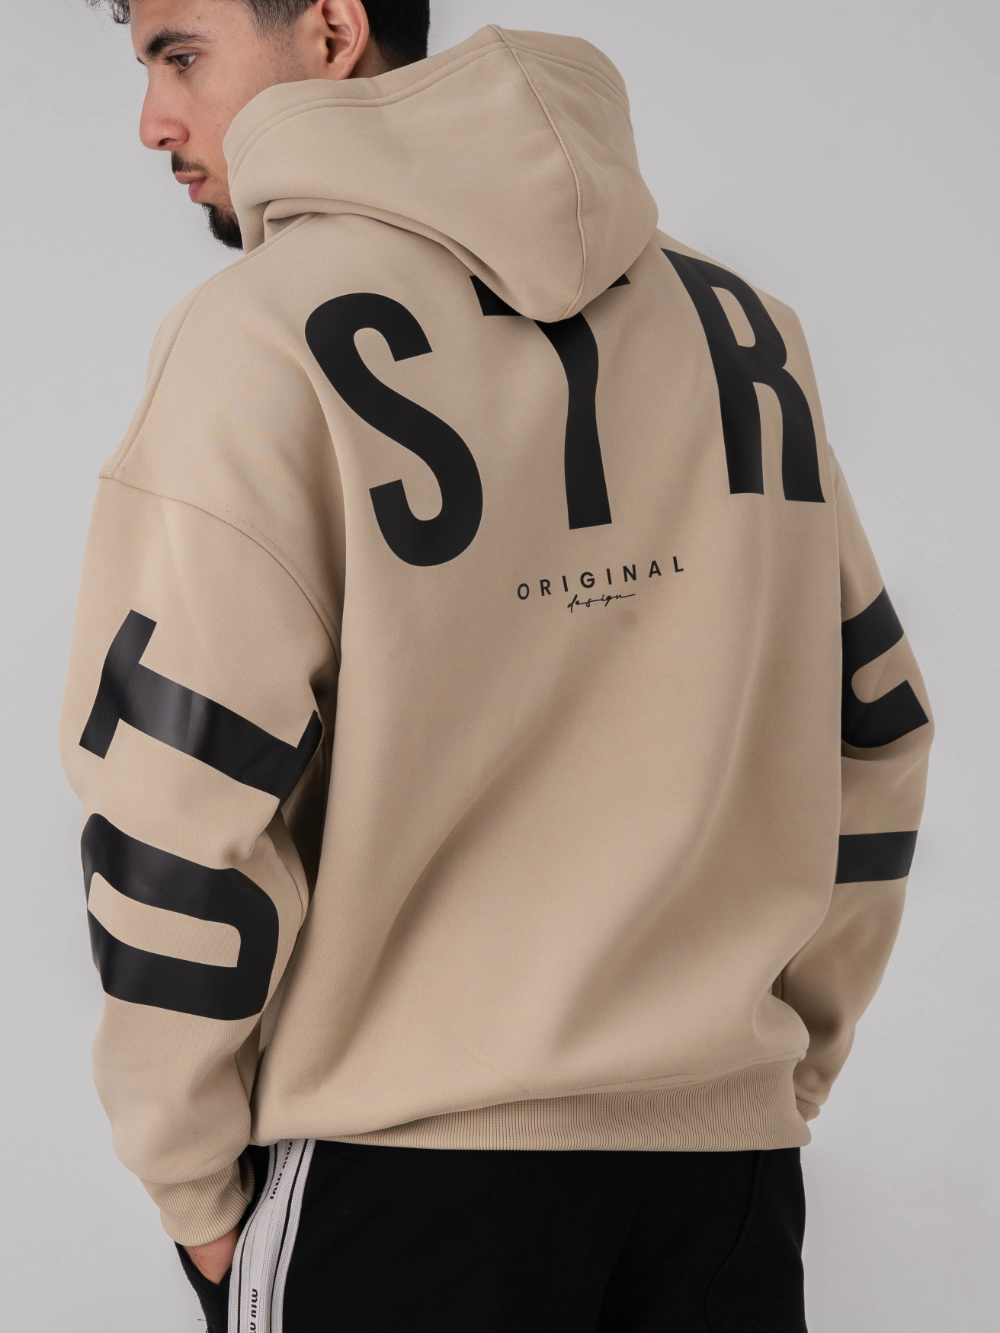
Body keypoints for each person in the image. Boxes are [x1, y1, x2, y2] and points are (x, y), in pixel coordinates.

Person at [62, 1, 933, 1329]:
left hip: (403, 1177)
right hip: (725, 1183)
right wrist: (775, 1069)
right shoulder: (747, 335)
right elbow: (871, 725)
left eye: (181, 55)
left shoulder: (260, 335)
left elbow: (175, 803)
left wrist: (192, 1182)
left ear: (334, 29)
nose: (153, 121)